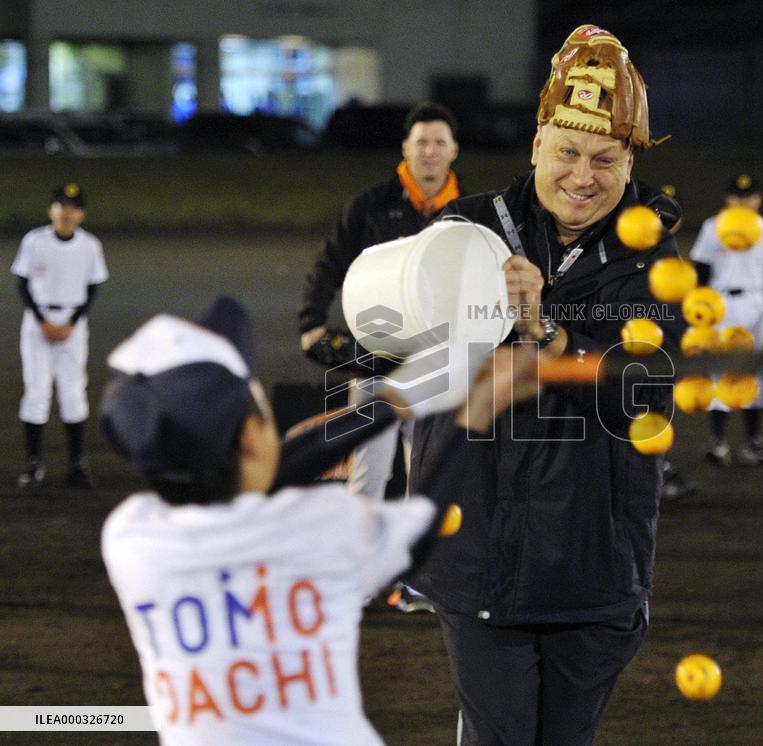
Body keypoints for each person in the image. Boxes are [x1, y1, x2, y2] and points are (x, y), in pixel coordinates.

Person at [405, 24, 684, 745]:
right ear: (535, 147)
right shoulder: (465, 231)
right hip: (477, 568)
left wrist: (547, 334)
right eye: (566, 151)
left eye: (605, 158)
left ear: (631, 161)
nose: (582, 176)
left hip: (593, 572)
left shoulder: (654, 260)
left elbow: (645, 388)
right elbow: (393, 349)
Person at [100, 296, 543, 745]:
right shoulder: (324, 527)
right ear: (253, 436)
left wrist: (392, 404)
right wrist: (476, 413)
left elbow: (263, 473)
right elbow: (423, 527)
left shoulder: (129, 537)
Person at [298, 102, 461, 612]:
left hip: (438, 359)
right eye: (421, 143)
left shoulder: (471, 213)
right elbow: (330, 263)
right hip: (375, 354)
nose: (430, 152)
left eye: (439, 143)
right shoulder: (371, 206)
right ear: (405, 149)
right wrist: (311, 322)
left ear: (453, 150)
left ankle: (418, 578)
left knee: (427, 469)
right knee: (368, 468)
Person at [690, 173, 763, 466]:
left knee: (753, 373)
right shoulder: (713, 227)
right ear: (728, 199)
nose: (744, 202)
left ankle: (752, 444)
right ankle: (719, 444)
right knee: (719, 371)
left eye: (749, 196)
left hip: (754, 303)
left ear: (758, 199)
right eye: (737, 196)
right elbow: (699, 271)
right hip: (718, 304)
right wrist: (695, 310)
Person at [11, 183, 108, 488]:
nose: (67, 212)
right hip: (38, 322)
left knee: (73, 392)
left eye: (73, 207)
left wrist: (72, 322)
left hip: (72, 322)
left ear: (81, 213)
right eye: (61, 205)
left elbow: (92, 287)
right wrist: (42, 320)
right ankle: (34, 466)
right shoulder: (35, 241)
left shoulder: (89, 246)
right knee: (37, 392)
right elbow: (22, 284)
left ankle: (78, 466)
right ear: (51, 209)